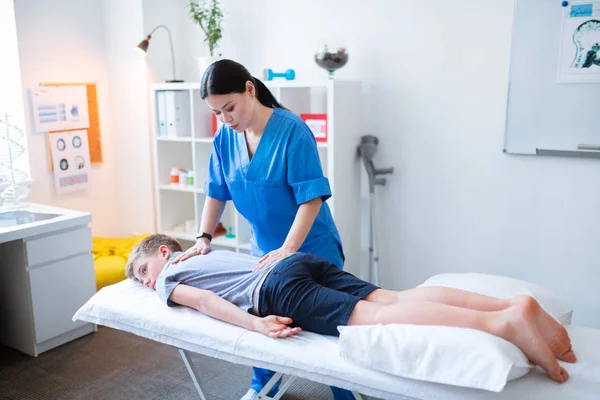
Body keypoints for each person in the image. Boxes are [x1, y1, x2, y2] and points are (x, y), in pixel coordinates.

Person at [126, 234, 576, 387]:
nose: (148, 283)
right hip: (294, 262)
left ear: (165, 252)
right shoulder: (202, 252)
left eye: (144, 271)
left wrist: (255, 323)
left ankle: (500, 322)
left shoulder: (171, 276)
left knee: (377, 320)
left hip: (278, 289)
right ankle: (508, 304)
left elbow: (205, 302)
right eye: (142, 281)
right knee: (394, 299)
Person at [170, 58, 352, 400]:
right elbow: (216, 190)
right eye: (217, 113)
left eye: (230, 108)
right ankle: (263, 387)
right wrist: (203, 238)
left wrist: (289, 248)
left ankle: (345, 393)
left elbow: (311, 197)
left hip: (311, 245)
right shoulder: (225, 136)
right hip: (264, 250)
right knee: (264, 319)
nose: (225, 119)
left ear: (249, 90)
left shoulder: (292, 131)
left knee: (326, 327)